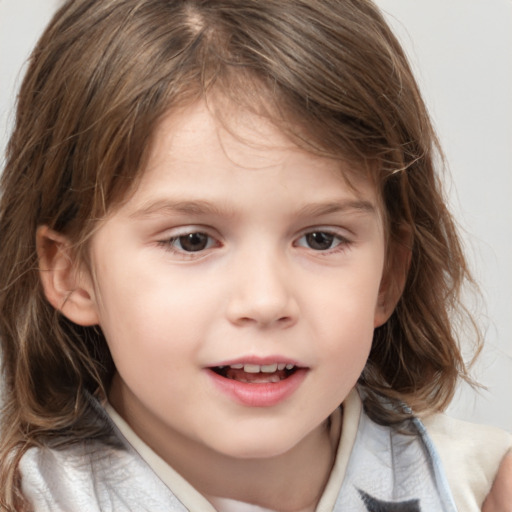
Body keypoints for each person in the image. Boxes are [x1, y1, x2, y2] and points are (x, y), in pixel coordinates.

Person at [0, 0, 510, 510]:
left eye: (320, 239)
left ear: (388, 277)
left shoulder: (477, 488)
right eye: (192, 241)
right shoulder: (27, 499)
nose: (265, 301)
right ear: (71, 272)